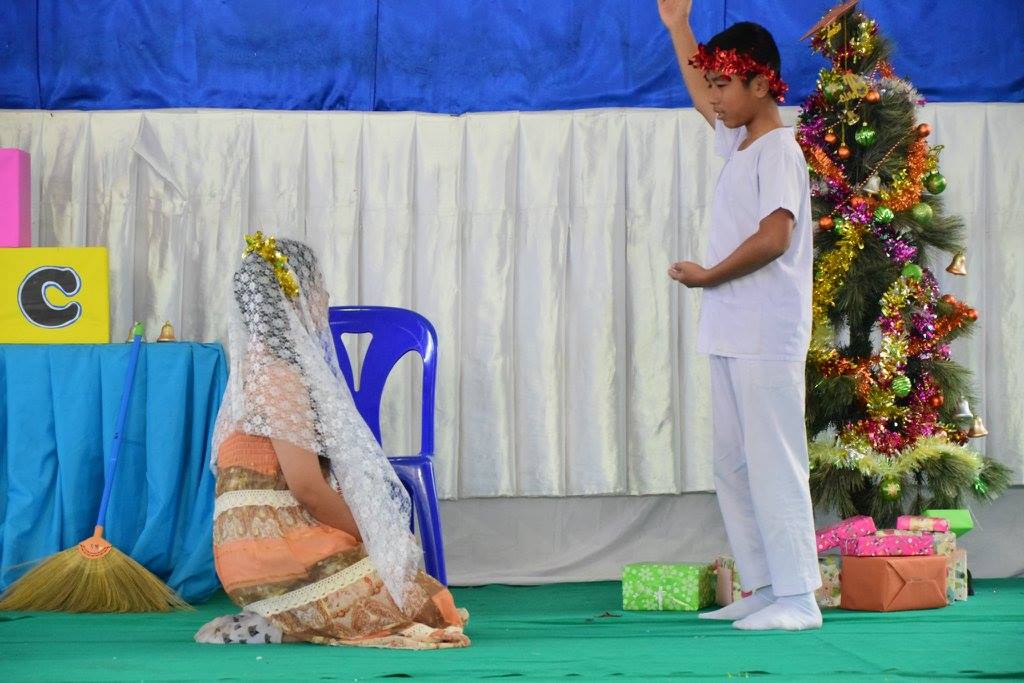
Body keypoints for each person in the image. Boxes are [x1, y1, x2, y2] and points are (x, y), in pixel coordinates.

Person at [195, 233, 469, 648]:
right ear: (296, 299)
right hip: (271, 553)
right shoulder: (279, 377)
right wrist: (378, 537)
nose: (327, 298)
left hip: (252, 551)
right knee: (427, 604)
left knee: (414, 590)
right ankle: (280, 618)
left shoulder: (255, 368)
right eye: (319, 288)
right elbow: (308, 489)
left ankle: (279, 616)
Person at [657, 0, 822, 631]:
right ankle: (764, 584)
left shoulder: (778, 149)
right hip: (730, 331)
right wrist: (679, 27)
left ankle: (800, 598)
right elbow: (701, 95)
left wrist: (707, 275)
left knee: (775, 460)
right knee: (733, 463)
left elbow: (774, 238)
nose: (715, 97)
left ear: (761, 84)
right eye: (713, 83)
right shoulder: (739, 141)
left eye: (725, 84)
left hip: (766, 334)